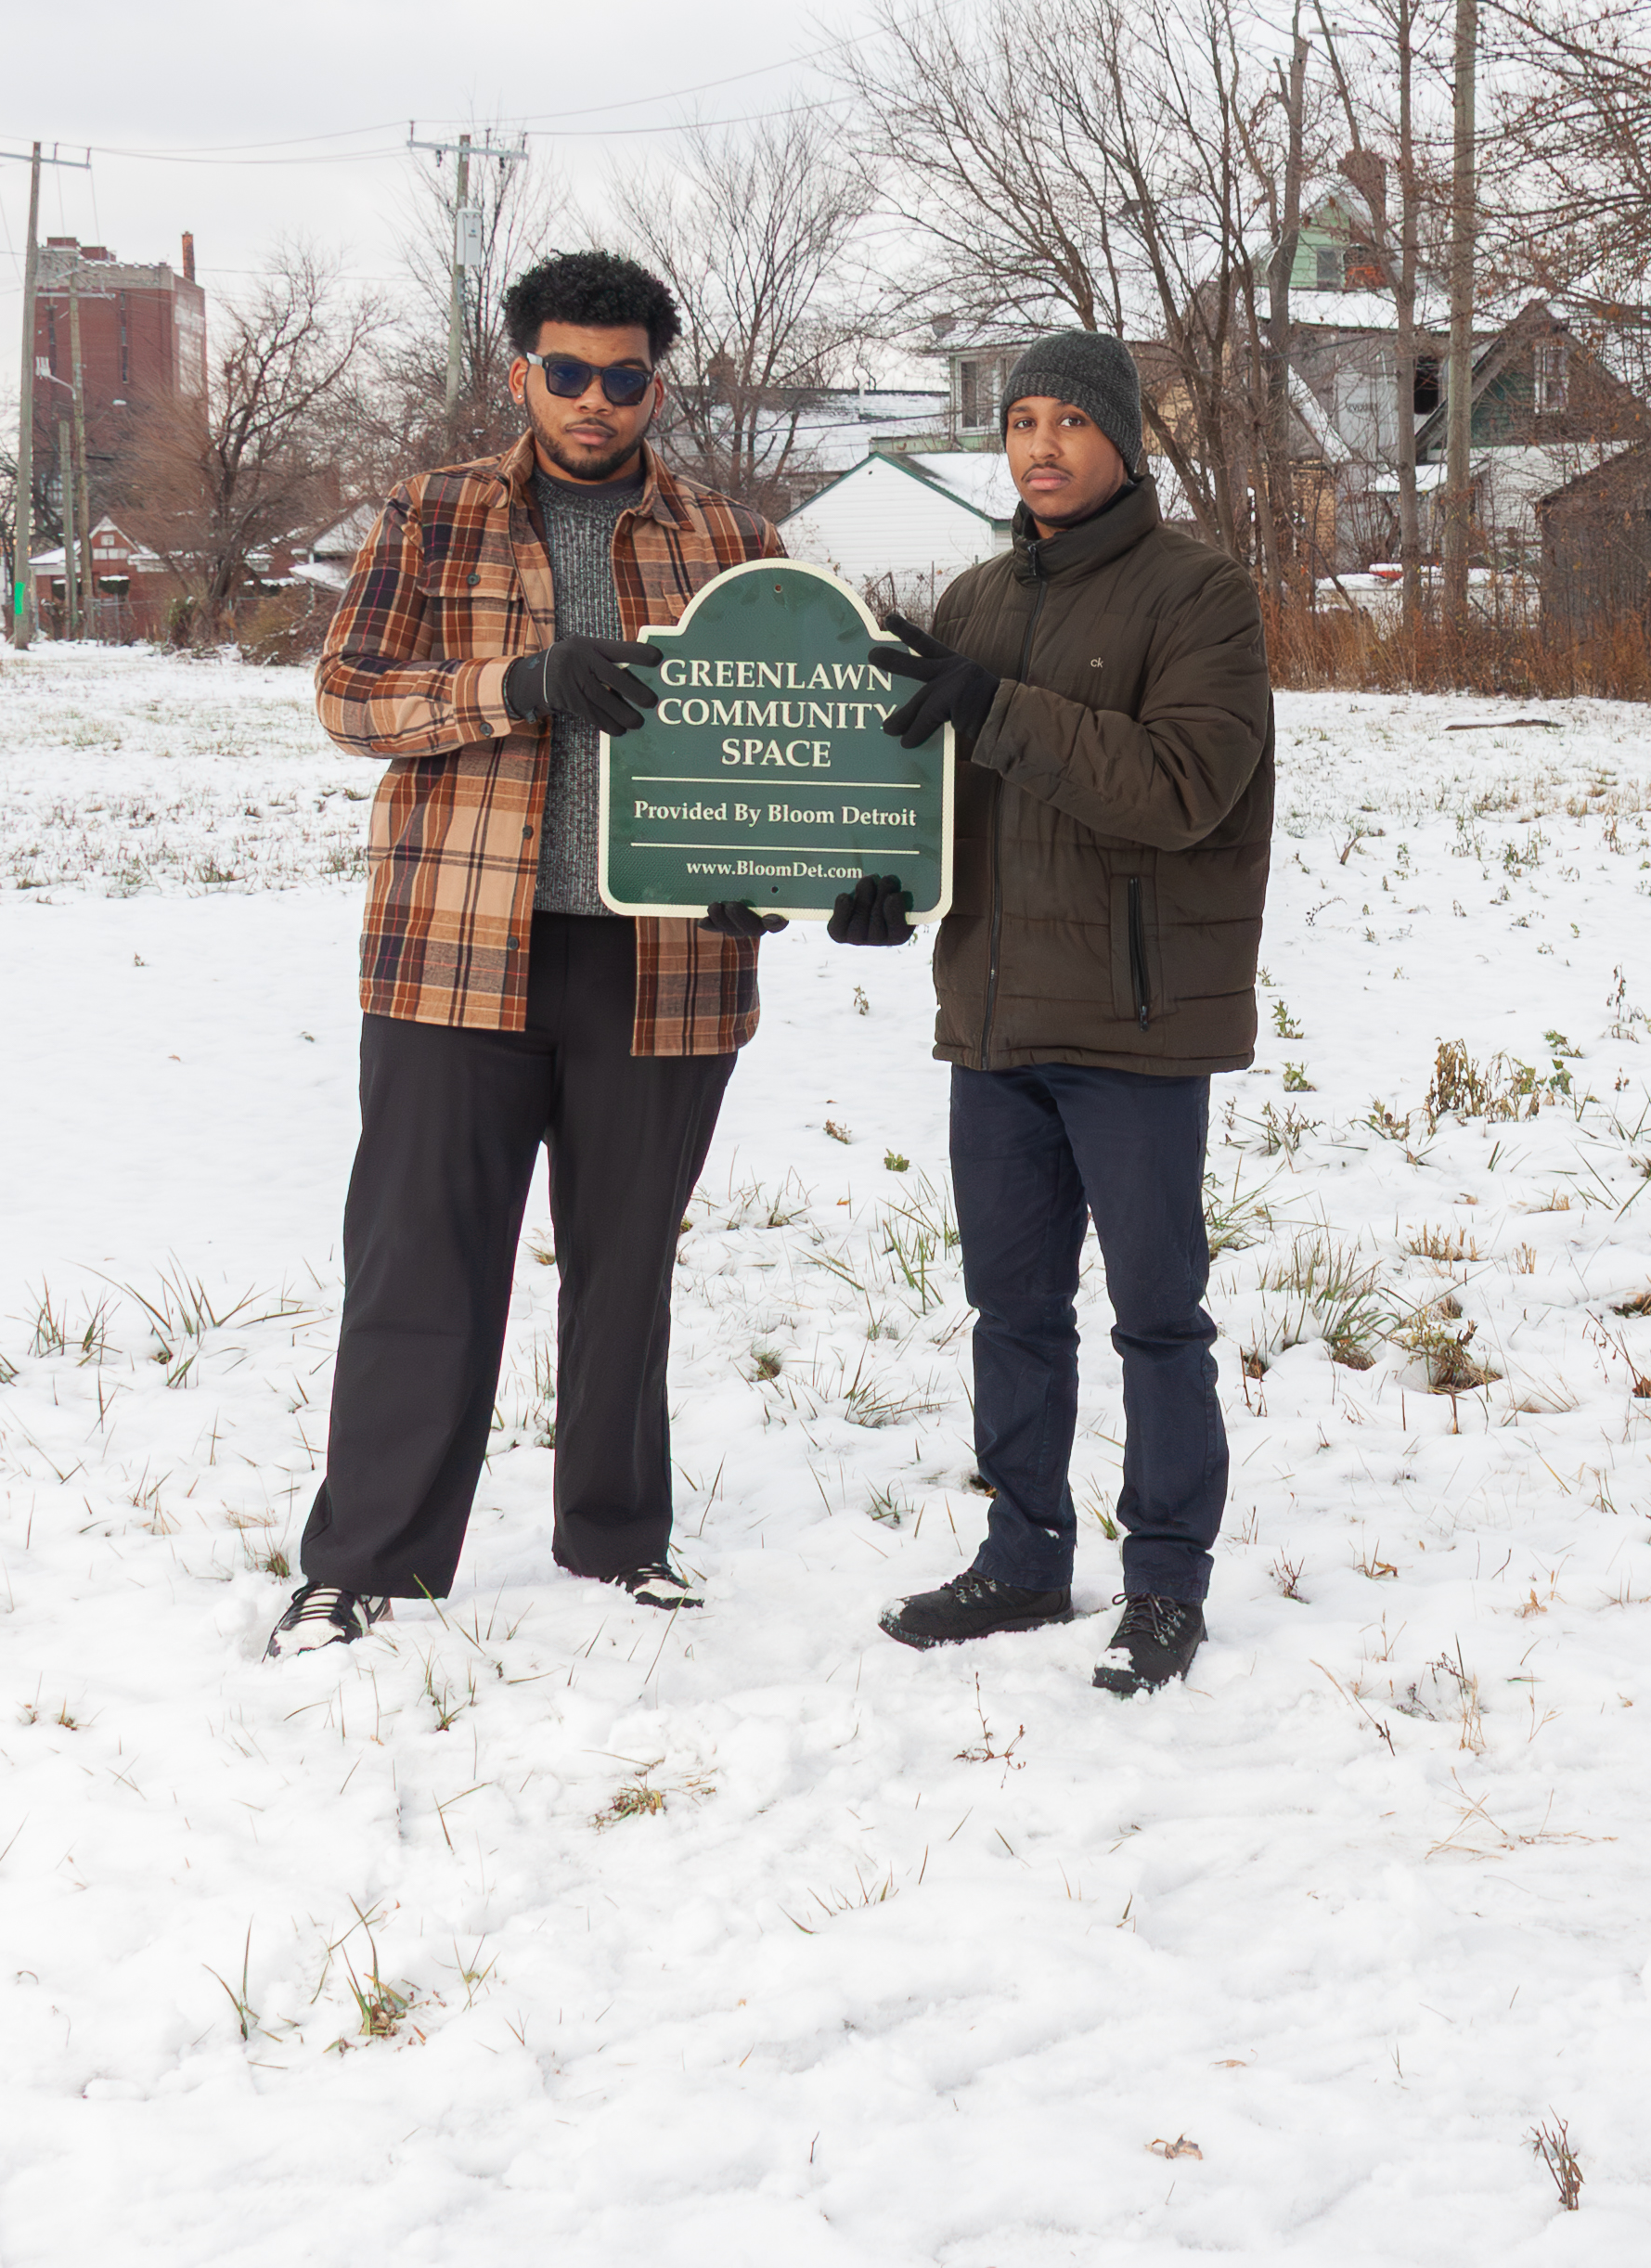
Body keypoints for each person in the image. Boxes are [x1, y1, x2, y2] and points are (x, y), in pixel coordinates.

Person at [265, 251, 787, 1659]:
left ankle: (618, 1540)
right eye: (567, 372)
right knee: (419, 1263)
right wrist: (515, 685)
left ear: (655, 384)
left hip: (660, 967)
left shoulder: (732, 539)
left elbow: (784, 744)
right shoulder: (430, 517)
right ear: (521, 375)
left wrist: (773, 876)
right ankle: (368, 1558)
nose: (594, 401)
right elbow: (349, 700)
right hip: (453, 955)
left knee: (626, 1267)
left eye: (622, 378)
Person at [857, 329, 1274, 1694]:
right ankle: (1023, 1558)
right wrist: (864, 883)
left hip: (1134, 1022)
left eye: (1068, 422)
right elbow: (918, 793)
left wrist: (997, 706)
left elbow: (1179, 787)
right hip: (992, 1018)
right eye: (1020, 420)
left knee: (1157, 1315)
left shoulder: (1198, 596)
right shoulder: (972, 598)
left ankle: (1164, 1582)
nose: (1039, 446)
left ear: (1122, 442)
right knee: (1010, 1310)